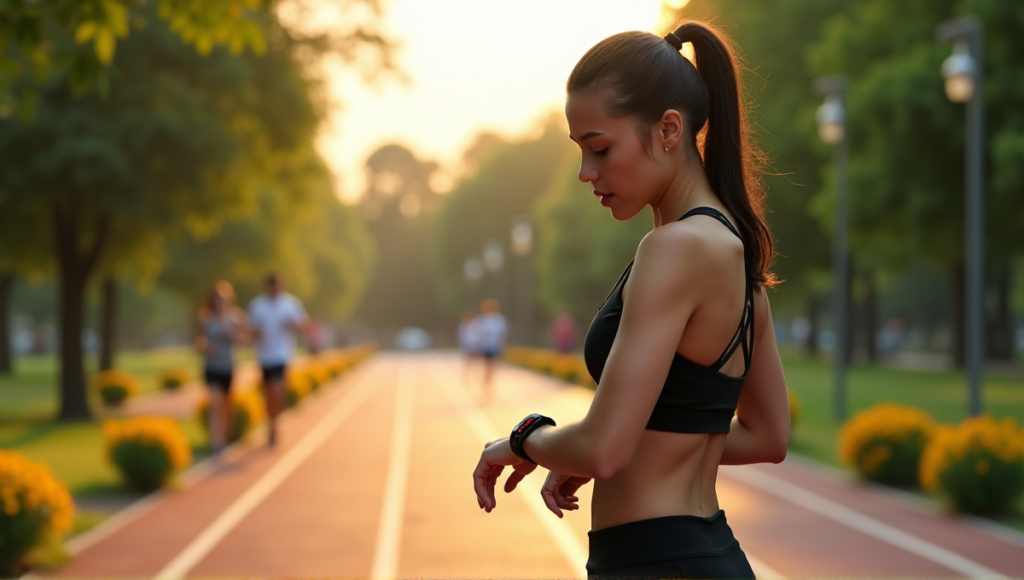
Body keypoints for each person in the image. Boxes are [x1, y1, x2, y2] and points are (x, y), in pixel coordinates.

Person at [472, 21, 790, 579]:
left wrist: (523, 439)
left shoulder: (673, 249)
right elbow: (769, 436)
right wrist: (608, 447)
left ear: (669, 129)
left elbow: (604, 450)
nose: (585, 173)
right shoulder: (733, 252)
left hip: (653, 561)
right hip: (707, 555)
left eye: (600, 148)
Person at [248, 273, 308, 447]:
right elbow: (251, 330)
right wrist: (256, 333)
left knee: (276, 390)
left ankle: (275, 424)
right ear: (268, 287)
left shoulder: (290, 305)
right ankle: (271, 423)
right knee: (268, 393)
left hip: (282, 355)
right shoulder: (258, 306)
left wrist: (293, 325)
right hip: (264, 356)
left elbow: (303, 325)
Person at [195, 281, 247, 456]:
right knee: (215, 403)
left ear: (229, 300)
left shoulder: (236, 317)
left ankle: (224, 438)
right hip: (212, 367)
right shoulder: (206, 318)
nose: (220, 302)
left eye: (224, 299)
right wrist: (205, 346)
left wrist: (229, 334)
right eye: (217, 299)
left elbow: (244, 340)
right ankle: (216, 442)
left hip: (229, 366)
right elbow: (199, 340)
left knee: (226, 406)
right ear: (213, 300)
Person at [475, 298, 508, 401]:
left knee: (491, 368)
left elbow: (502, 334)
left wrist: (502, 345)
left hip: (494, 347)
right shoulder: (482, 320)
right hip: (486, 347)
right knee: (488, 367)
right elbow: (479, 335)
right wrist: (480, 346)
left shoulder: (498, 320)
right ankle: (487, 385)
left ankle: (488, 384)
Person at [457, 309, 482, 383]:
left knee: (474, 360)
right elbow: (460, 335)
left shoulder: (476, 325)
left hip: (474, 344)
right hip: (467, 344)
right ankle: (467, 374)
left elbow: (479, 335)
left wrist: (479, 344)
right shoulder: (463, 325)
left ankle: (474, 373)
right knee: (468, 360)